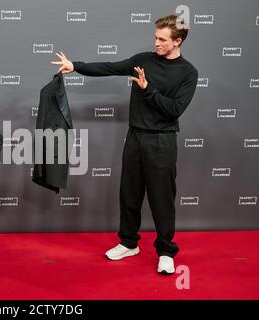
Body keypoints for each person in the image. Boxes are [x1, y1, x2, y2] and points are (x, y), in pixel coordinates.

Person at [51, 15, 198, 274]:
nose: (157, 43)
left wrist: (147, 89)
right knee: (129, 194)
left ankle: (165, 251)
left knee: (162, 199)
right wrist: (76, 65)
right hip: (135, 137)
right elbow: (110, 67)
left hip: (162, 141)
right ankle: (129, 242)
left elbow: (174, 110)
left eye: (163, 40)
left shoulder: (188, 73)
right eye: (155, 37)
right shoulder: (142, 60)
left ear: (178, 41)